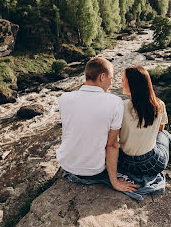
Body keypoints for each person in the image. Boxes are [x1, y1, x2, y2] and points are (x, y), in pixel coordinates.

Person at [56, 57, 138, 192]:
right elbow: (111, 145)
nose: (111, 83)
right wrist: (115, 182)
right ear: (102, 76)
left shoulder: (64, 98)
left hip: (67, 165)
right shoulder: (115, 102)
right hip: (93, 170)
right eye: (111, 78)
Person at [118, 66, 171, 176]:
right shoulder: (159, 105)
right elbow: (160, 129)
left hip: (125, 163)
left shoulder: (121, 106)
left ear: (132, 84)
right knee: (164, 134)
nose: (121, 84)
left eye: (122, 80)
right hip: (151, 164)